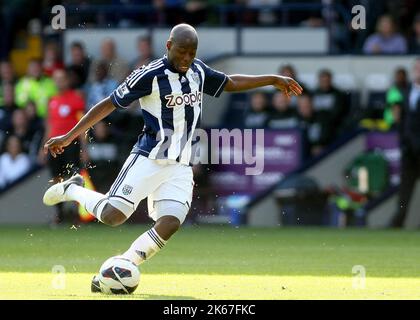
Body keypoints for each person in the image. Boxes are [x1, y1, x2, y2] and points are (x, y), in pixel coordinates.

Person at [41, 24, 302, 291]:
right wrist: (70, 135)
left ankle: (123, 266)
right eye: (181, 52)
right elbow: (109, 103)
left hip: (180, 165)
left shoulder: (198, 70)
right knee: (112, 216)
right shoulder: (149, 75)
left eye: (191, 52)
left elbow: (229, 82)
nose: (186, 58)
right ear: (168, 46)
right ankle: (73, 189)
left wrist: (271, 79)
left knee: (170, 222)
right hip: (149, 158)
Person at [40, 68, 86, 224]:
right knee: (56, 178)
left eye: (62, 78)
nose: (59, 81)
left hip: (71, 144)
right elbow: (49, 125)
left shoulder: (76, 98)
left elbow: (83, 125)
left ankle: (76, 213)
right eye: (56, 78)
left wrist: (84, 148)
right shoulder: (52, 100)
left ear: (67, 80)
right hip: (53, 145)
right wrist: (43, 147)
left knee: (74, 177)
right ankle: (59, 213)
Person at [390, 58, 420, 228]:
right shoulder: (404, 91)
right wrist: (402, 143)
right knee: (405, 190)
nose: (418, 70)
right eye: (416, 67)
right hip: (409, 150)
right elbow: (401, 121)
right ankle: (398, 222)